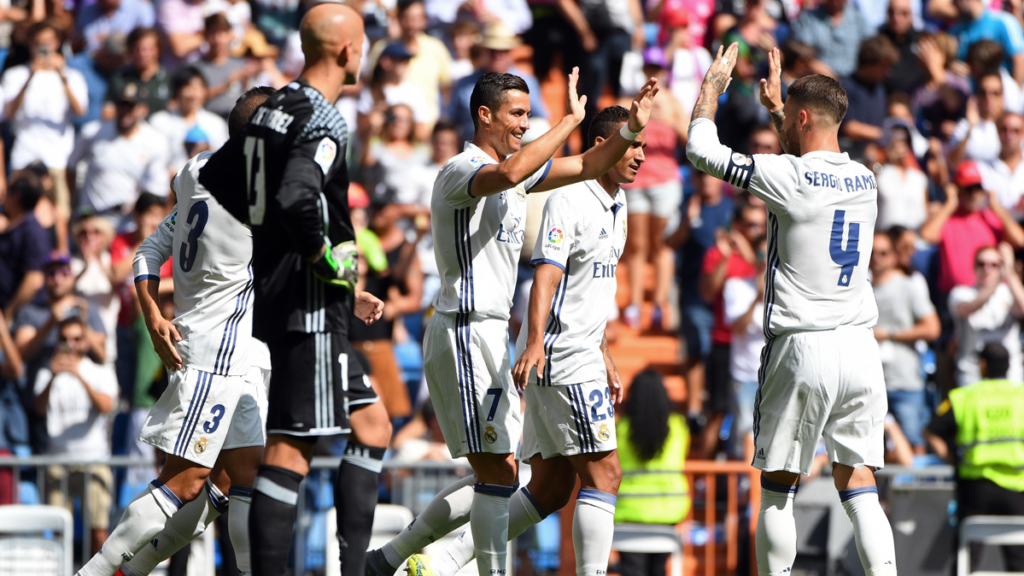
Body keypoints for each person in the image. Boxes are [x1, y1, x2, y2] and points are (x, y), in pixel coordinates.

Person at [365, 72, 657, 576]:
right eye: (517, 114)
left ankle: (394, 557)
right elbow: (508, 175)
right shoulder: (464, 168)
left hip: (493, 333)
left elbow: (590, 162)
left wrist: (631, 129)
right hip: (461, 328)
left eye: (528, 114)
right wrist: (568, 121)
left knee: (510, 473)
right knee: (499, 472)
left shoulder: (520, 173)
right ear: (485, 115)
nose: (524, 124)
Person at [686, 44, 897, 576]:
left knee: (778, 487)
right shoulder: (866, 180)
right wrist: (781, 108)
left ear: (801, 118)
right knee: (861, 485)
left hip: (803, 345)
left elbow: (701, 151)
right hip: (861, 348)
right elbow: (810, 153)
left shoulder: (789, 177)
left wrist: (712, 88)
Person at [197, 7, 390, 576]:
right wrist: (326, 261)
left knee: (372, 423)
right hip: (309, 305)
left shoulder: (271, 110)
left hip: (286, 295)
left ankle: (356, 568)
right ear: (348, 51)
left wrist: (276, 251)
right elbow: (297, 199)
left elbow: (221, 180)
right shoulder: (322, 119)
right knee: (290, 449)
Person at [74, 87, 276, 576]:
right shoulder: (254, 194)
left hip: (237, 352)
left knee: (237, 480)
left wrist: (151, 313)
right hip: (213, 352)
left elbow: (148, 251)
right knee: (185, 482)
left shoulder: (194, 173)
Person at [924, 341, 1024, 572]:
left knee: (966, 559)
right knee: (1019, 561)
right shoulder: (1020, 396)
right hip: (1018, 488)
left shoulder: (964, 397)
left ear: (982, 365)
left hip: (976, 489)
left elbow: (930, 432)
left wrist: (952, 460)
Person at [34, 317, 118, 555]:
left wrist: (79, 375)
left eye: (76, 339)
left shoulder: (100, 371)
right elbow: (39, 407)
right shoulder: (47, 372)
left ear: (85, 343)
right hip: (57, 462)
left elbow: (105, 406)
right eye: (64, 339)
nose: (69, 344)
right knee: (59, 531)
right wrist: (53, 377)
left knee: (98, 532)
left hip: (94, 460)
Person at [1, 20, 88, 221]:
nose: (42, 48)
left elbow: (80, 111)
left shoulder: (72, 75)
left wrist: (61, 75)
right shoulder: (15, 75)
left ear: (57, 43)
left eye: (47, 42)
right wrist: (30, 76)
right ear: (30, 44)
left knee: (60, 215)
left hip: (58, 156)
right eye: (37, 43)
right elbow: (8, 113)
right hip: (24, 155)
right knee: (18, 214)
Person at [613, 370, 690, 576]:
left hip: (627, 514)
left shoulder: (620, 429)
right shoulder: (678, 428)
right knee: (659, 570)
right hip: (668, 513)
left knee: (632, 571)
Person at [870, 231, 940, 452]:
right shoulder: (858, 290)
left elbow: (932, 328)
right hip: (869, 383)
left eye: (883, 252)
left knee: (914, 444)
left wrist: (889, 334)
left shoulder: (907, 286)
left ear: (893, 257)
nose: (876, 258)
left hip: (904, 381)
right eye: (872, 253)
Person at [67, 82, 171, 230]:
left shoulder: (155, 142)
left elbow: (156, 189)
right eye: (122, 106)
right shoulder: (93, 133)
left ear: (143, 110)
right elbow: (71, 164)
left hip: (128, 223)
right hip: (92, 220)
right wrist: (73, 200)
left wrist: (137, 208)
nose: (125, 112)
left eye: (131, 107)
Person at [920, 160, 1024, 297]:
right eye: (968, 189)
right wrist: (950, 204)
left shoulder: (990, 217)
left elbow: (1020, 240)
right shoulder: (948, 217)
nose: (974, 194)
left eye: (978, 188)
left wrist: (997, 207)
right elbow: (927, 235)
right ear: (958, 190)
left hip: (990, 295)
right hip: (954, 298)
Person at [949, 243, 1024, 388]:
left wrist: (1010, 272)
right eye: (981, 264)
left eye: (994, 265)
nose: (987, 269)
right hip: (972, 377)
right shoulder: (961, 293)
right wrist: (998, 279)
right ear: (973, 267)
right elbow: (969, 308)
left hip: (1010, 377)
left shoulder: (1009, 292)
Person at [148, 67, 229, 171]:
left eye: (199, 88)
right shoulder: (160, 121)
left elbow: (223, 160)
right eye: (188, 87)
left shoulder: (216, 123)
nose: (193, 94)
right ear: (177, 91)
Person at [0, 175, 49, 321]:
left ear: (16, 196)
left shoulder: (33, 231)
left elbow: (34, 280)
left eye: (7, 191)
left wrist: (9, 313)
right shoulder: (12, 224)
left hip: (20, 318)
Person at [791, 0, 874, 77]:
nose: (835, 2)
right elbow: (803, 53)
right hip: (819, 78)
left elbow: (873, 45)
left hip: (853, 78)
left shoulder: (858, 19)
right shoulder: (809, 19)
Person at [105, 27, 172, 118]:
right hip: (126, 129)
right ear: (131, 50)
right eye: (138, 49)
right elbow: (107, 111)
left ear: (158, 50)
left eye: (149, 49)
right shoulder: (120, 77)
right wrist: (129, 115)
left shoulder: (169, 79)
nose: (143, 54)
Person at [979, 112, 1024, 219]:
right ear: (998, 132)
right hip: (993, 229)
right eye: (1004, 130)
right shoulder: (983, 169)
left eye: (1015, 131)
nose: (1009, 135)